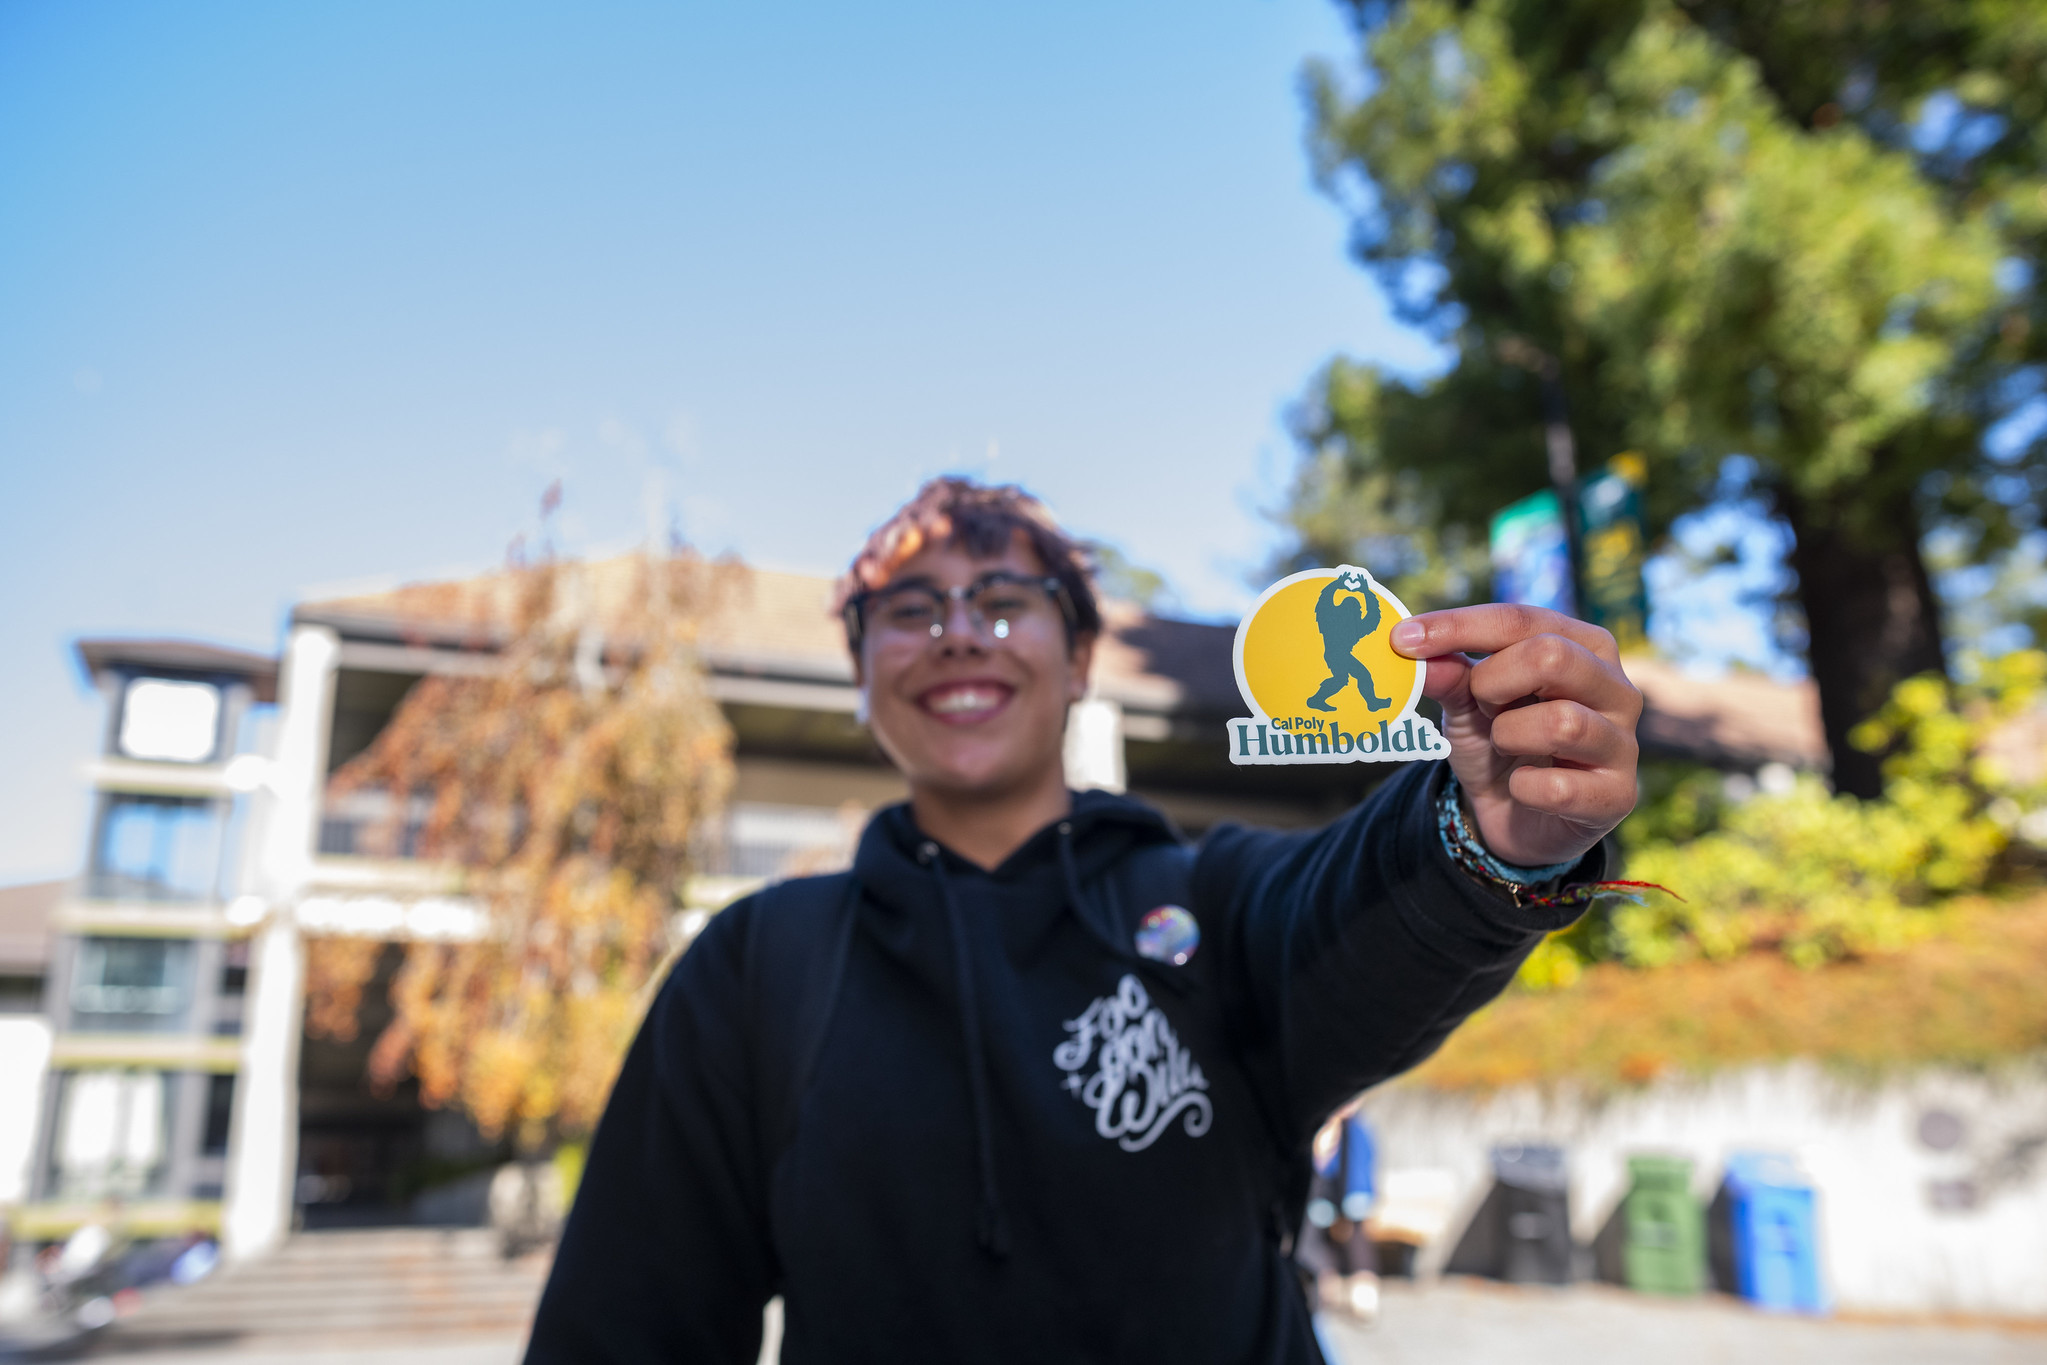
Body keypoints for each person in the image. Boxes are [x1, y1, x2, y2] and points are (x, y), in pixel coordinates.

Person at [525, 477, 1642, 1363]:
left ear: (1080, 661)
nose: (960, 633)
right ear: (861, 677)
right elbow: (626, 1328)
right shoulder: (757, 969)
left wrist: (1479, 830)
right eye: (909, 612)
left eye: (1005, 601)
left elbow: (1351, 907)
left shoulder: (1212, 901)